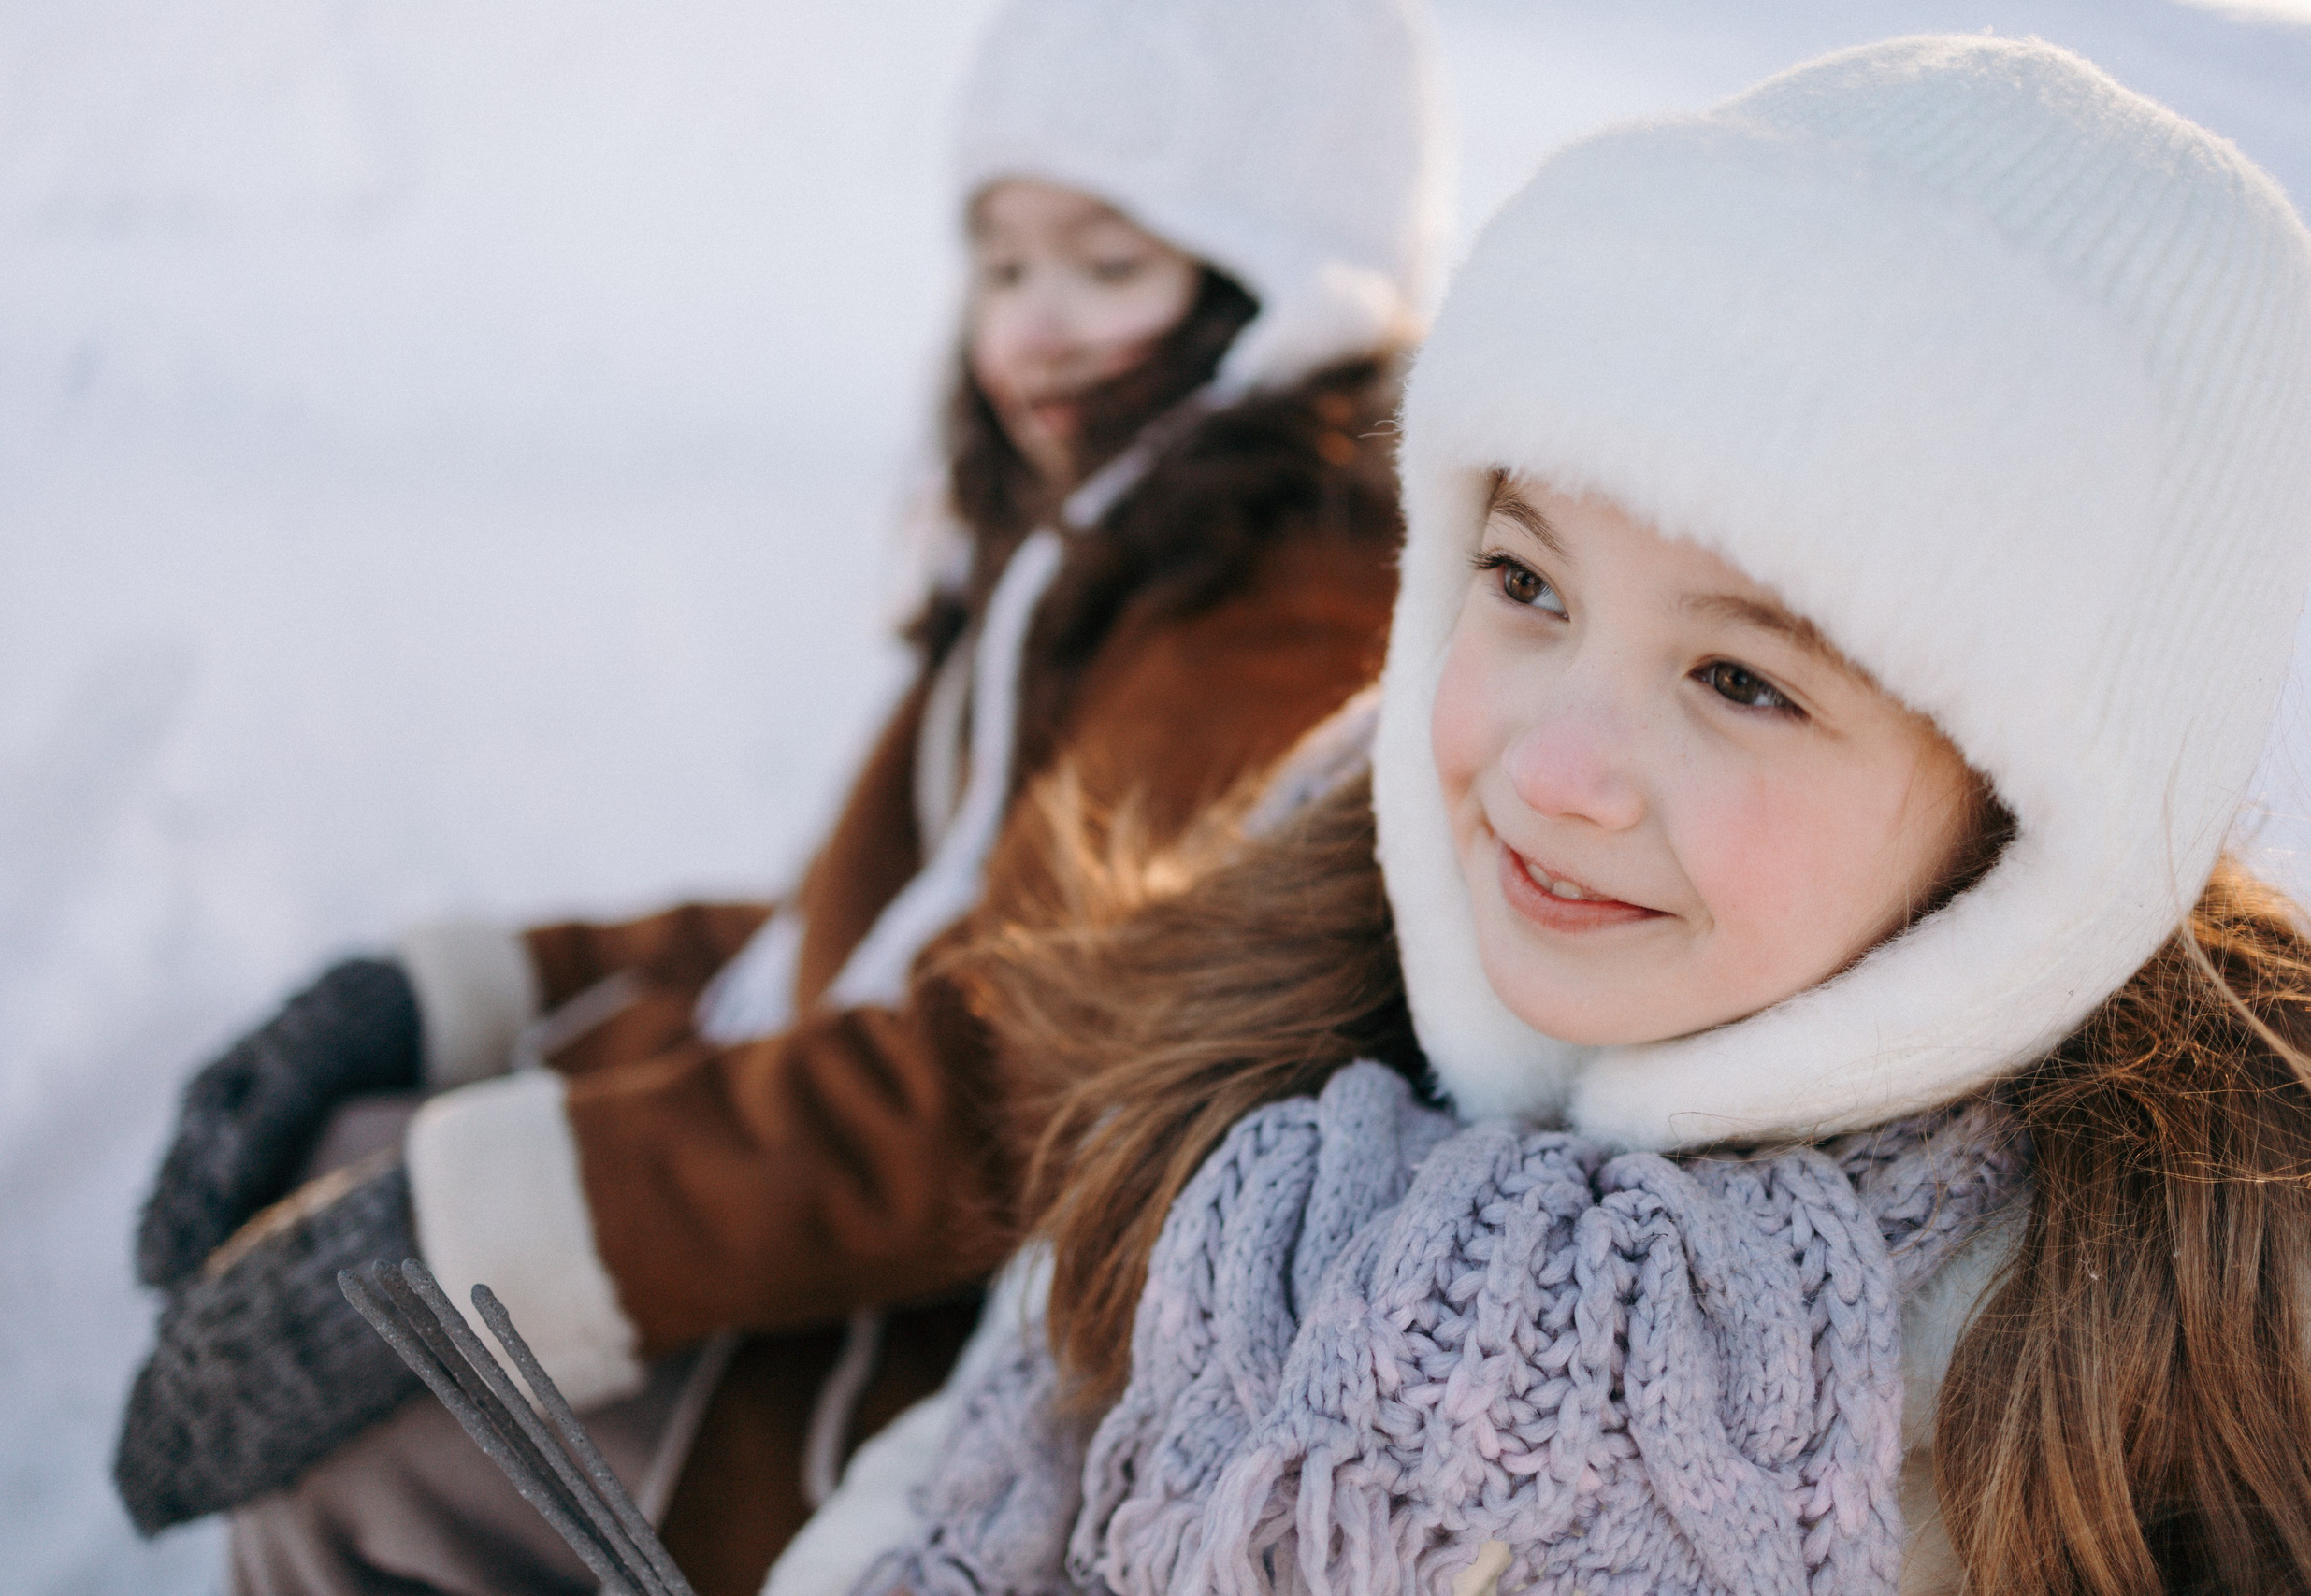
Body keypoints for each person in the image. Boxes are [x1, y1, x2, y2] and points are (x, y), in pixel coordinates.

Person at [859, 34, 2311, 1596]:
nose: (1553, 772)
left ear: (2027, 828)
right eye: (1527, 584)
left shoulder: (2117, 1423)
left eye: (1740, 682)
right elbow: (942, 1465)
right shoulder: (1257, 1023)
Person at [111, 0, 1445, 1591]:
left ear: (1283, 276)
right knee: (346, 1157)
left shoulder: (1278, 603)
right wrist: (451, 998)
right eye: (1003, 266)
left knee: (362, 1459)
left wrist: (472, 1232)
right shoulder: (1097, 546)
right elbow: (860, 925)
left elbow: (1020, 1069)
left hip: (921, 1362)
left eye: (1108, 264)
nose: (1031, 331)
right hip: (836, 1235)